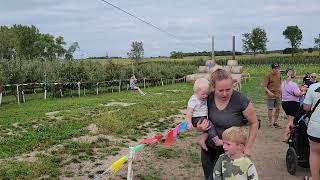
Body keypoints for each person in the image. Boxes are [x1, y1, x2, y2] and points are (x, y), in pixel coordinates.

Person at [196, 69, 258, 180]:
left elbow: (254, 123)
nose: (225, 93)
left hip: (231, 151)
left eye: (228, 89)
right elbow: (198, 118)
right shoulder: (207, 98)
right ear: (213, 87)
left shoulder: (240, 100)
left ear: (233, 85)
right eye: (220, 90)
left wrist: (248, 147)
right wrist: (200, 128)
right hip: (209, 148)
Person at [185, 78, 223, 151]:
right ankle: (217, 141)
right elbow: (189, 112)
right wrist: (189, 123)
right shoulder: (194, 100)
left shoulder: (203, 98)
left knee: (207, 129)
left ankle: (202, 140)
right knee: (209, 124)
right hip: (196, 118)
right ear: (196, 91)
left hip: (202, 117)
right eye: (203, 94)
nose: (205, 96)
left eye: (207, 94)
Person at [281, 68, 306, 142]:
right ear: (294, 75)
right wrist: (304, 92)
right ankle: (286, 137)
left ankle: (289, 136)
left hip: (284, 103)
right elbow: (297, 94)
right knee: (291, 121)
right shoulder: (293, 84)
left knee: (289, 120)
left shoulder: (283, 83)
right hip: (292, 103)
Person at [303, 81, 320, 180]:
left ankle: (314, 178)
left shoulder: (314, 87)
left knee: (315, 153)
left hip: (316, 127)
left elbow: (306, 107)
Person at [261, 63, 281, 128]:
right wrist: (269, 92)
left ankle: (275, 122)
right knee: (270, 109)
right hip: (270, 96)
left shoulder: (279, 74)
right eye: (275, 68)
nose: (276, 69)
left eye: (277, 68)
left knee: (278, 109)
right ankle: (270, 123)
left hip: (278, 95)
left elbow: (279, 82)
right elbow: (264, 86)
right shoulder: (268, 76)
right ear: (272, 68)